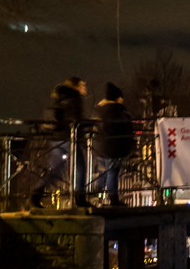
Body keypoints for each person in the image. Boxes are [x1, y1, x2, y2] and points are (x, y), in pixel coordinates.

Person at [31, 77, 87, 208]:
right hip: (69, 137)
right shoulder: (75, 98)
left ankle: (36, 193)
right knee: (81, 167)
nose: (85, 89)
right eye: (83, 86)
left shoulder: (58, 97)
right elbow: (76, 119)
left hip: (55, 138)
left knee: (55, 169)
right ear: (76, 86)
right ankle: (80, 198)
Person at [93, 83, 135, 206]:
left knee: (103, 172)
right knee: (113, 173)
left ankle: (95, 196)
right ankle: (114, 199)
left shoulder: (99, 110)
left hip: (100, 147)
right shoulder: (118, 111)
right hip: (114, 146)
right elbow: (126, 128)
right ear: (118, 98)